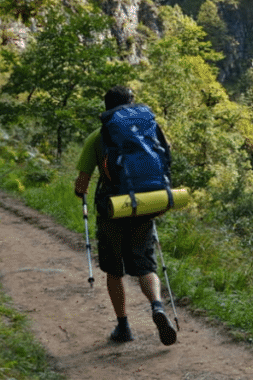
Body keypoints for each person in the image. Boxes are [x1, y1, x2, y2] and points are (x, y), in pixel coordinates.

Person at [73, 85, 177, 346]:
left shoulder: (97, 136)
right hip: (143, 205)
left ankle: (123, 327)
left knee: (114, 269)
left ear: (106, 107)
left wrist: (81, 192)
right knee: (145, 264)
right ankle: (157, 307)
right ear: (131, 105)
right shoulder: (147, 130)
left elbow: (82, 184)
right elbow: (166, 157)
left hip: (113, 209)